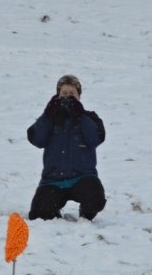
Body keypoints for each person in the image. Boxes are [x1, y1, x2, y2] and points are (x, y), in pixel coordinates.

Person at [27, 74, 107, 221]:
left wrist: (80, 114)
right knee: (39, 214)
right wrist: (47, 114)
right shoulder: (50, 118)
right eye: (64, 94)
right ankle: (53, 211)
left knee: (96, 201)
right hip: (53, 180)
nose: (68, 97)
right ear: (57, 96)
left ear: (79, 96)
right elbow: (36, 139)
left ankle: (86, 213)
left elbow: (95, 139)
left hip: (83, 177)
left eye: (72, 94)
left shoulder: (90, 117)